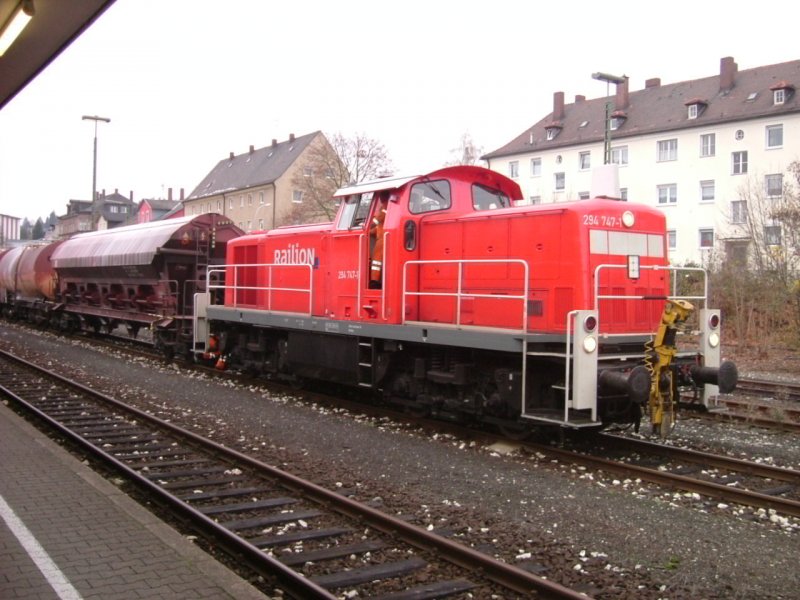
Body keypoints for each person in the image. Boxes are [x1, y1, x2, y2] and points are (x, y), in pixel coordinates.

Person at [369, 198, 387, 289]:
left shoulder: (386, 205)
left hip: (383, 239)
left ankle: (374, 281)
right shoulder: (387, 206)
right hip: (382, 236)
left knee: (376, 260)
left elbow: (377, 220)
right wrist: (368, 231)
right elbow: (376, 229)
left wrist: (367, 225)